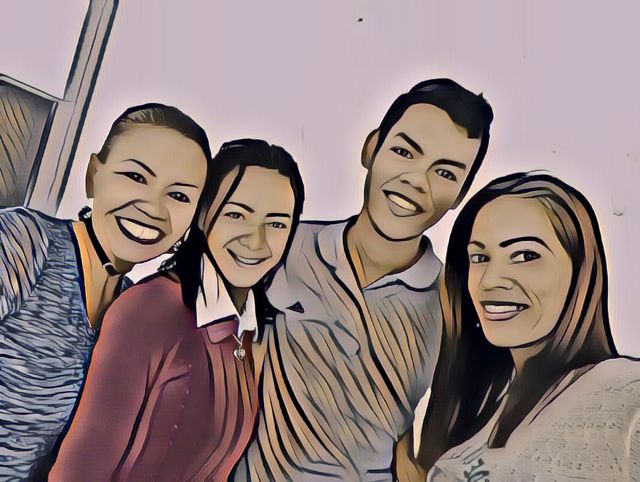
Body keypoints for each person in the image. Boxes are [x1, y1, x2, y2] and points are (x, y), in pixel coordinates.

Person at [232, 78, 494, 481]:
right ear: (371, 148)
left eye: (444, 172)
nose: (416, 180)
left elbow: (410, 432)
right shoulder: (285, 247)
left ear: (461, 193)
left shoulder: (456, 306)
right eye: (404, 152)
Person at [50, 139, 305, 481]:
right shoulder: (151, 310)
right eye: (236, 214)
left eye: (276, 224)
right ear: (203, 214)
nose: (255, 241)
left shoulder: (248, 330)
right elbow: (80, 468)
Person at [0, 103, 211, 479]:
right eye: (136, 176)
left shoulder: (133, 312)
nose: (153, 207)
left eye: (179, 196)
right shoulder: (25, 242)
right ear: (93, 176)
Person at [419, 172, 640, 481]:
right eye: (480, 257)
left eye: (525, 255)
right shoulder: (465, 443)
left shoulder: (627, 396)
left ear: (580, 271)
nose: (490, 280)